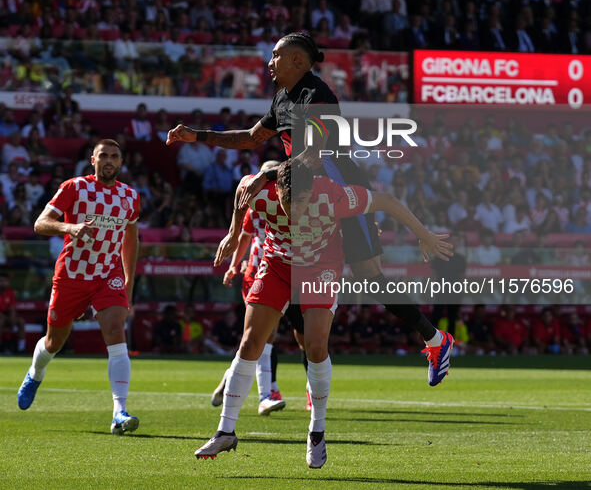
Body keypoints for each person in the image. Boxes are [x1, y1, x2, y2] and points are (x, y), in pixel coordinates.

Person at [166, 32, 454, 387]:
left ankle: (435, 340)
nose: (269, 62)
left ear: (298, 61)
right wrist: (199, 136)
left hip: (338, 188)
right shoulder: (282, 99)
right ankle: (306, 370)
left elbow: (313, 155)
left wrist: (269, 172)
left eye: (276, 56)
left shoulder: (318, 97)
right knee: (298, 272)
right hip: (300, 191)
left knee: (369, 276)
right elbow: (251, 138)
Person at [193, 159, 452, 466]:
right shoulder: (258, 190)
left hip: (321, 267)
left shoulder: (333, 195)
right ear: (277, 189)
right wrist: (234, 234)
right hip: (277, 264)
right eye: (291, 201)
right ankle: (225, 431)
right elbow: (241, 193)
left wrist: (423, 234)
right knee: (250, 342)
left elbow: (389, 202)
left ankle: (316, 431)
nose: (298, 209)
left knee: (316, 346)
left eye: (303, 201)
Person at [16, 139, 141, 436]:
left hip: (106, 275)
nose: (109, 160)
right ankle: (35, 373)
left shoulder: (131, 196)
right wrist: (69, 227)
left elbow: (131, 240)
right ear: (93, 160)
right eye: (104, 156)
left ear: (121, 162)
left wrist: (128, 282)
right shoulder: (75, 188)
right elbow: (40, 223)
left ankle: (119, 412)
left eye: (114, 156)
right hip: (72, 274)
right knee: (53, 343)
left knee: (115, 330)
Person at [213, 161, 287, 416]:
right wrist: (234, 265)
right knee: (263, 335)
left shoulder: (283, 198)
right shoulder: (255, 204)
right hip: (258, 269)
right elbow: (244, 235)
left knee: (264, 336)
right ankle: (265, 396)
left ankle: (230, 377)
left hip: (277, 266)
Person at [0, 274, 26, 353]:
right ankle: (1, 346)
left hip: (7, 316)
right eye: (1, 281)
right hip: (1, 317)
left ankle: (21, 348)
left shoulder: (10, 292)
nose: (3, 283)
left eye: (5, 281)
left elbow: (12, 308)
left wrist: (12, 318)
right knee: (1, 320)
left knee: (21, 321)